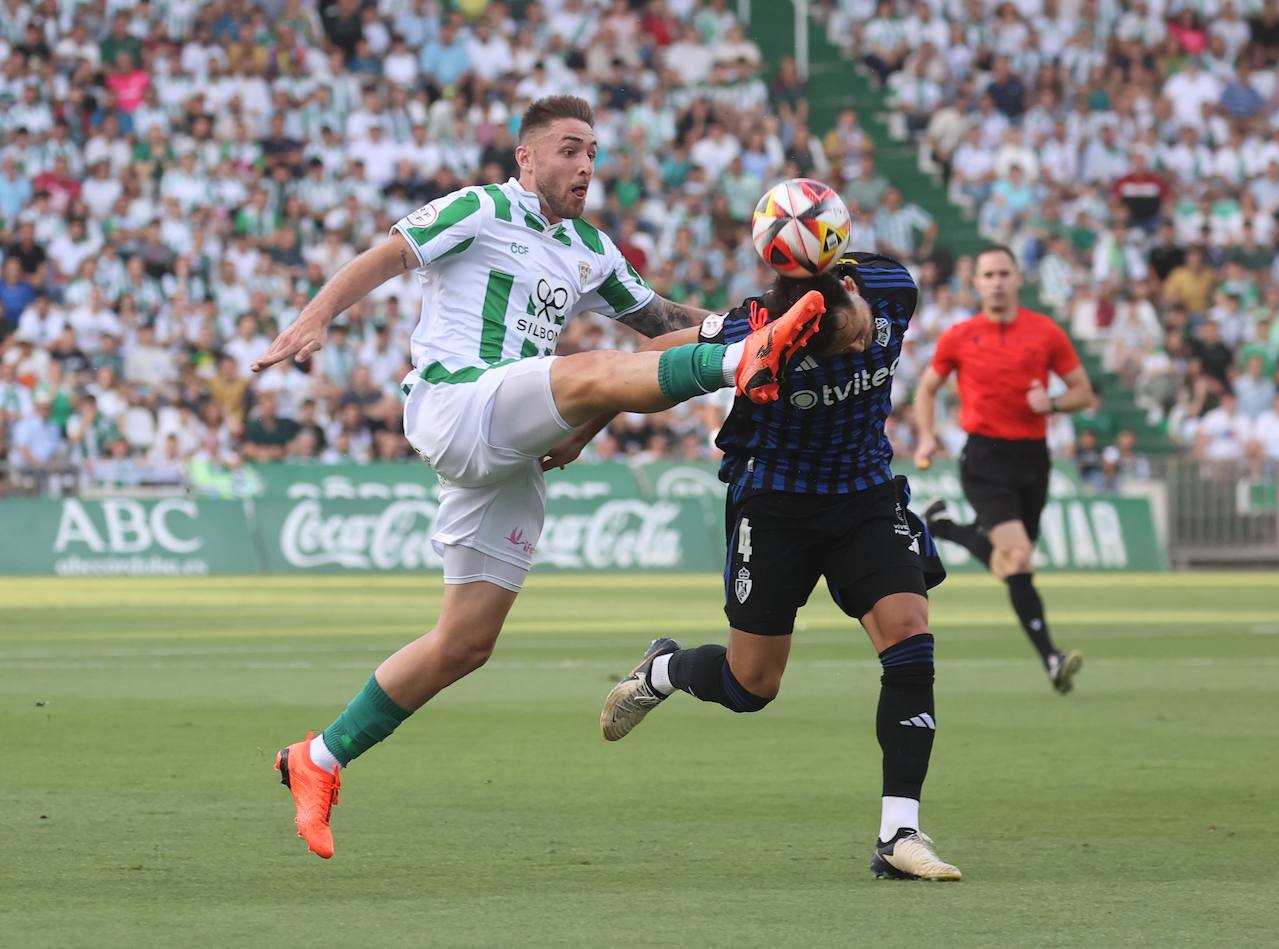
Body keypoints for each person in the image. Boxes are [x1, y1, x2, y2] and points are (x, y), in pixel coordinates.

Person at [256, 96, 825, 860]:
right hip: (457, 401)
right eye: (568, 149)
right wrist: (317, 314)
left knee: (464, 642)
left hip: (511, 444)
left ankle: (318, 758)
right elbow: (388, 256)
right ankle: (742, 369)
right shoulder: (482, 207)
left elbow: (658, 323)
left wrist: (750, 321)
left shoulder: (591, 248)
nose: (585, 164)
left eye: (591, 150)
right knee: (583, 368)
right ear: (526, 158)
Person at [576, 253, 961, 881]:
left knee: (911, 639)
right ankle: (664, 670)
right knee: (751, 686)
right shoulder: (752, 332)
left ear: (854, 288)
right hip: (776, 503)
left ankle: (899, 832)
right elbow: (651, 363)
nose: (863, 340)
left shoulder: (891, 286)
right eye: (846, 342)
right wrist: (584, 428)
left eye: (862, 326)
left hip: (864, 493)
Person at [912, 245, 1092, 693]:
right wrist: (927, 435)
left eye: (1003, 274)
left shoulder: (1045, 332)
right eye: (987, 274)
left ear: (1018, 280)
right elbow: (927, 388)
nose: (995, 282)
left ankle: (946, 528)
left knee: (1008, 565)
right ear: (975, 283)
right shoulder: (959, 336)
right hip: (985, 457)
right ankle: (1051, 657)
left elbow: (1083, 393)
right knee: (1018, 558)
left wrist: (1051, 403)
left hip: (1033, 459)